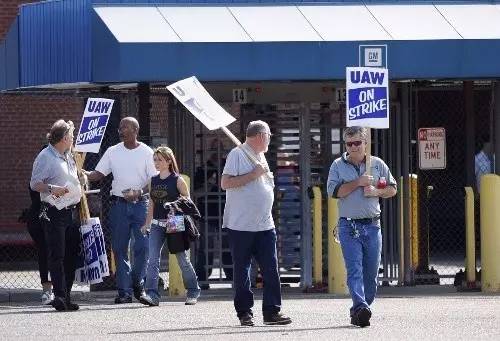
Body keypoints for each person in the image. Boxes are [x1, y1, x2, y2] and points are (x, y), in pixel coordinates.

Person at [221, 120, 291, 327]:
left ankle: (271, 312)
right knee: (242, 270)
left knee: (271, 269)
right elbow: (225, 183)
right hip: (240, 226)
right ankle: (244, 312)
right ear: (261, 136)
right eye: (269, 135)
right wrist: (253, 174)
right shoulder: (237, 154)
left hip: (265, 225)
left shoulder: (260, 155)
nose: (270, 139)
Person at [327, 126, 397, 327]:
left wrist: (375, 191)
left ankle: (360, 309)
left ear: (365, 143)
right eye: (349, 144)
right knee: (354, 270)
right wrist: (358, 182)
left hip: (372, 225)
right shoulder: (337, 165)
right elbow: (334, 192)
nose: (353, 147)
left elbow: (392, 189)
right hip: (348, 226)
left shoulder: (377, 164)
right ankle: (360, 307)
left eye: (358, 143)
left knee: (371, 275)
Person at [83, 117, 157, 304]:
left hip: (141, 205)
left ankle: (136, 283)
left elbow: (154, 181)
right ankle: (124, 292)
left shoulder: (147, 152)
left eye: (125, 126)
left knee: (142, 247)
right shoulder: (112, 151)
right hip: (119, 205)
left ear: (135, 130)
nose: (121, 129)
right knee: (118, 249)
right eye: (120, 126)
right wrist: (83, 173)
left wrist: (139, 192)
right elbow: (98, 174)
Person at [138, 146, 201, 306]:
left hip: (174, 222)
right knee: (153, 259)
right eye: (155, 159)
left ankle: (193, 291)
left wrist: (174, 204)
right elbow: (151, 202)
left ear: (168, 161)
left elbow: (187, 201)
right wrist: (147, 223)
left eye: (160, 159)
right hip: (157, 223)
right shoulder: (153, 180)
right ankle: (152, 295)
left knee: (182, 259)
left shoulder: (178, 180)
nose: (156, 162)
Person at [30, 120, 82, 311]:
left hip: (71, 210)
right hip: (53, 211)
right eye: (71, 136)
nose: (73, 139)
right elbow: (35, 184)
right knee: (57, 254)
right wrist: (53, 188)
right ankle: (59, 296)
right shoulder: (45, 156)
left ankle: (66, 296)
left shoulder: (67, 155)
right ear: (65, 138)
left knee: (71, 253)